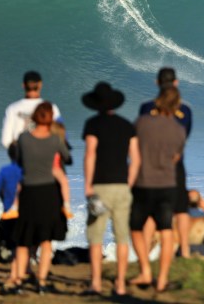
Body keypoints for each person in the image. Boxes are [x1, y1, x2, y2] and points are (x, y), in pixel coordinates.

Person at [3, 102, 70, 295]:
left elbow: (19, 161)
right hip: (48, 193)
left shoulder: (23, 139)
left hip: (29, 192)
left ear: (33, 118)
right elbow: (66, 157)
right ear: (50, 119)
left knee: (24, 240)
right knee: (46, 240)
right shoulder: (55, 140)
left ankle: (19, 282)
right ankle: (41, 282)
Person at [81, 82, 141, 297]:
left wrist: (88, 184)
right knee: (122, 236)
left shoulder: (92, 124)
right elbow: (135, 159)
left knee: (96, 236)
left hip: (100, 186)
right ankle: (121, 286)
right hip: (122, 186)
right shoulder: (126, 126)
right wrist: (130, 183)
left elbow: (90, 154)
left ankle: (96, 284)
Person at [130, 86, 186, 293]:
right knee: (166, 230)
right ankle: (162, 280)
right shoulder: (178, 130)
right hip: (167, 185)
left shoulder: (142, 122)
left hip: (144, 183)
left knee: (136, 228)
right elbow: (176, 157)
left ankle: (145, 270)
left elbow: (133, 150)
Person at [0, 71, 72, 220]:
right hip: (49, 165)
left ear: (23, 85)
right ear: (40, 85)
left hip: (22, 164)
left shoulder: (13, 108)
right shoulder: (51, 107)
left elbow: (6, 141)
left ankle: (15, 209)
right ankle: (65, 206)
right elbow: (62, 134)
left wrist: (20, 158)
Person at [138, 67, 193, 258]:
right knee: (181, 210)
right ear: (176, 83)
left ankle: (143, 254)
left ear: (157, 83)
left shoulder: (146, 108)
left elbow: (141, 136)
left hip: (151, 167)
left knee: (150, 213)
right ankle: (185, 251)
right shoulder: (185, 110)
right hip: (175, 165)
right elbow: (183, 137)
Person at [0, 144, 22, 282]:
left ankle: (14, 272)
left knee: (11, 244)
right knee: (23, 244)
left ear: (9, 155)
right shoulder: (26, 171)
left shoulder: (4, 171)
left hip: (9, 215)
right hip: (24, 214)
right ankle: (25, 269)